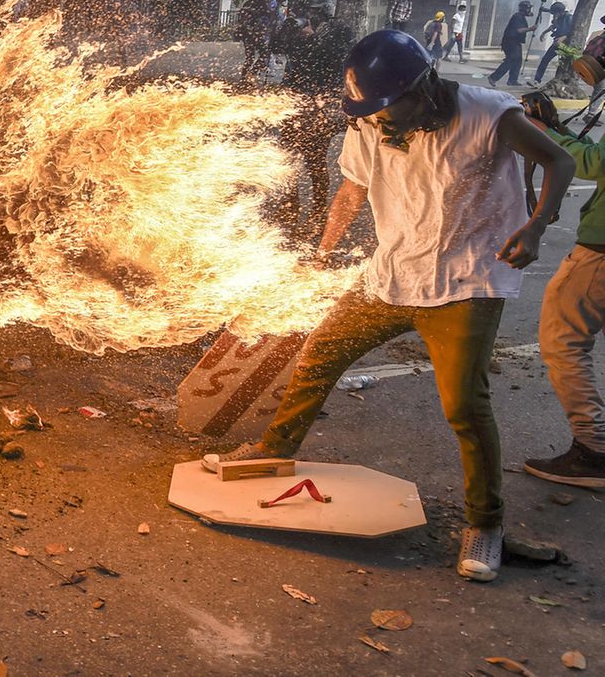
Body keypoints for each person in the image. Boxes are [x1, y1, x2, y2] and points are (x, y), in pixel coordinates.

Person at [206, 30, 574, 582]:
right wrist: (321, 254)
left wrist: (537, 225)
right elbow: (351, 191)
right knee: (321, 351)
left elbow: (559, 162)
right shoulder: (370, 122)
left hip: (465, 280)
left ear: (422, 86)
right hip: (392, 272)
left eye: (388, 108)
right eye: (371, 112)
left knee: (465, 408)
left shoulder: (488, 113)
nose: (380, 121)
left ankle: (486, 525)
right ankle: (274, 447)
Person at [515, 96, 605, 489]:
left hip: (600, 252)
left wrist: (543, 132)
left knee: (563, 341)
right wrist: (560, 132)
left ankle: (593, 451)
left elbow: (592, 163)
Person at [272, 0, 354, 241]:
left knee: (315, 159)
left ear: (323, 11)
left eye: (311, 12)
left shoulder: (338, 30)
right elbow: (275, 48)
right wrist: (286, 31)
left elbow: (327, 56)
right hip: (295, 101)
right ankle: (291, 204)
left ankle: (319, 209)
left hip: (322, 104)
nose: (306, 16)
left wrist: (309, 38)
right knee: (287, 157)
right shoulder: (300, 29)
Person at [488, 0, 533, 87]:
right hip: (510, 42)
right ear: (524, 9)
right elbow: (519, 30)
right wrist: (530, 29)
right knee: (510, 60)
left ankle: (512, 80)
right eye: (528, 9)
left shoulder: (521, 17)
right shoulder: (517, 17)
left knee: (518, 61)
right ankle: (493, 77)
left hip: (515, 42)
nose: (529, 11)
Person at [235, 0, 274, 82]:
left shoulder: (249, 3)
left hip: (249, 34)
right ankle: (250, 74)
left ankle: (246, 76)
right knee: (262, 55)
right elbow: (270, 14)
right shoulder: (262, 3)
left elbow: (241, 18)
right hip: (255, 34)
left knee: (250, 58)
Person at [532, 1, 572, 85]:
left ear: (560, 12)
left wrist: (563, 37)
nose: (554, 16)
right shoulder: (558, 18)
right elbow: (553, 26)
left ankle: (562, 82)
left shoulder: (569, 18)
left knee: (563, 64)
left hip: (566, 44)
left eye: (555, 14)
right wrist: (544, 33)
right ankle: (537, 80)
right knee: (545, 59)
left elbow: (573, 31)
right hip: (557, 42)